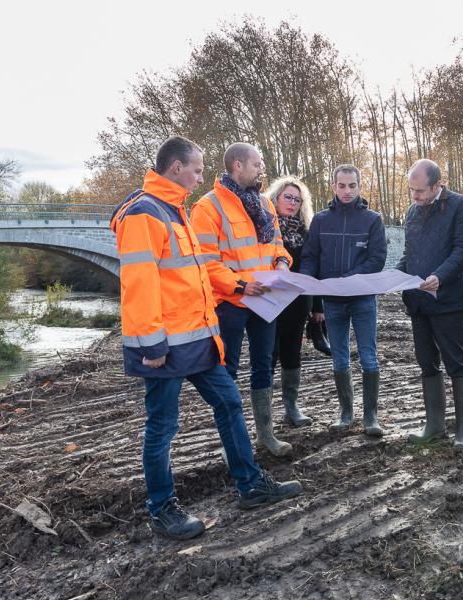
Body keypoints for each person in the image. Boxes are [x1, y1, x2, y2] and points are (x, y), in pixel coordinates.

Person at [110, 136, 300, 540]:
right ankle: (162, 509)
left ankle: (250, 485)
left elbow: (194, 277)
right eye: (196, 169)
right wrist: (152, 347)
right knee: (162, 425)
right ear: (175, 167)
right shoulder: (144, 214)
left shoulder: (174, 209)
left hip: (197, 340)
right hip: (164, 346)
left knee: (230, 402)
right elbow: (138, 286)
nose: (201, 176)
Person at [190, 143, 293, 457]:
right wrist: (240, 285)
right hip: (229, 302)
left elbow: (277, 243)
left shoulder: (263, 202)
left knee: (264, 366)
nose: (262, 169)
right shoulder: (208, 208)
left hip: (265, 301)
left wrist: (282, 263)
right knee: (228, 372)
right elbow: (206, 262)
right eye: (257, 164)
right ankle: (231, 443)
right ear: (237, 166)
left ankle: (266, 435)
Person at [300, 164, 387, 436]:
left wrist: (348, 278)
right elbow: (311, 256)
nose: (346, 191)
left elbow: (377, 259)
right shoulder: (321, 220)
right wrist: (306, 279)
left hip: (362, 299)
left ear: (360, 186)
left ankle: (371, 417)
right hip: (333, 302)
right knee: (339, 357)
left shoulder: (373, 220)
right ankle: (346, 413)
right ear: (333, 186)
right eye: (341, 186)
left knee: (368, 356)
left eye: (351, 186)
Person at [397, 159, 463, 451]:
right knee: (425, 361)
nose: (414, 197)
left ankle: (462, 430)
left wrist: (440, 276)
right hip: (418, 302)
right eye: (411, 191)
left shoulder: (460, 206)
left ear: (437, 185)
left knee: (456, 361)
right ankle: (434, 426)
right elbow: (410, 253)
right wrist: (395, 275)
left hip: (449, 300)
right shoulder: (412, 212)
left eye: (419, 191)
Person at [266, 175, 323, 427]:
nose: (292, 203)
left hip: (298, 302)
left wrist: (317, 307)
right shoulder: (263, 227)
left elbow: (315, 271)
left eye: (297, 200)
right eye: (287, 197)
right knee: (268, 355)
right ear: (275, 197)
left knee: (292, 353)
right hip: (268, 300)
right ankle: (264, 415)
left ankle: (291, 408)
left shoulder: (307, 232)